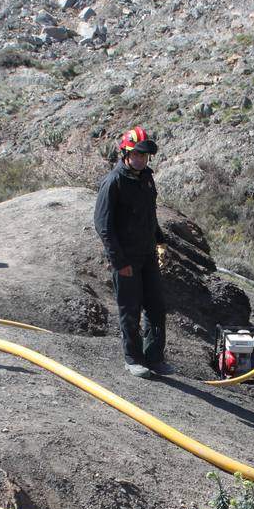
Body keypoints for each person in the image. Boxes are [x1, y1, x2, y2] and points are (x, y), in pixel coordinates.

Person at [94, 126, 172, 379]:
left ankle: (154, 358)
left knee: (156, 307)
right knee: (130, 309)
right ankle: (133, 358)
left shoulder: (147, 178)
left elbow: (150, 214)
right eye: (136, 154)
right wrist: (119, 261)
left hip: (147, 254)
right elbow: (103, 226)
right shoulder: (113, 182)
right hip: (126, 258)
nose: (141, 159)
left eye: (144, 155)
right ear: (125, 154)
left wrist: (159, 242)